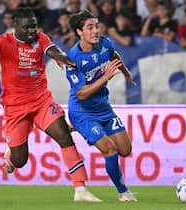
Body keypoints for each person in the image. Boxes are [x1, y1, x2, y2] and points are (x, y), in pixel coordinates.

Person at [0, 7, 101, 202]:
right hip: (15, 107)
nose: (32, 31)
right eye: (27, 27)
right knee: (20, 162)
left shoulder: (40, 38)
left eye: (34, 26)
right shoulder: (4, 41)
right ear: (15, 27)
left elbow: (53, 50)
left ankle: (80, 189)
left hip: (41, 101)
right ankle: (10, 154)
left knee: (63, 135)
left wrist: (61, 58)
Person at [66, 10, 138, 202]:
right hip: (82, 112)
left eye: (96, 26)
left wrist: (126, 72)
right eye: (90, 27)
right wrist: (105, 77)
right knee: (110, 149)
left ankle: (77, 128)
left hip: (104, 109)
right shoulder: (73, 58)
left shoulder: (105, 44)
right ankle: (123, 192)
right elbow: (81, 93)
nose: (96, 30)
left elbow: (114, 56)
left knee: (125, 149)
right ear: (79, 31)